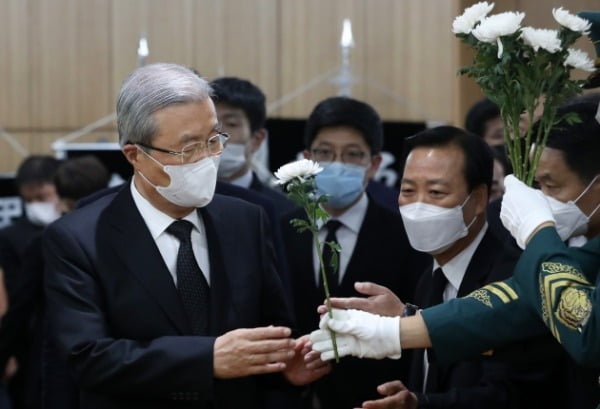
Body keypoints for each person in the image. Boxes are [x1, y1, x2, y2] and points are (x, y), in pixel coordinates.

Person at [43, 63, 328, 409]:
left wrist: (284, 369)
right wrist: (206, 359)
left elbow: (267, 332)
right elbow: (88, 356)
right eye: (188, 148)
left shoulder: (245, 220)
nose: (208, 159)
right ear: (136, 155)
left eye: (213, 139)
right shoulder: (78, 238)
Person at [311, 99, 600, 408]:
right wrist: (397, 327)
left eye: (550, 187)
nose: (540, 200)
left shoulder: (526, 254)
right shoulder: (435, 273)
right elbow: (503, 306)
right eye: (408, 190)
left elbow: (583, 326)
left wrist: (539, 230)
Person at [281, 96, 429, 408]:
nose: (337, 163)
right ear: (307, 158)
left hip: (374, 396)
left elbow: (419, 315)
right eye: (324, 153)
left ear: (374, 164)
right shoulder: (276, 228)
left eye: (352, 155)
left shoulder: (406, 234)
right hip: (289, 394)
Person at [0, 155, 60, 409]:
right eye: (29, 200)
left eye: (43, 197)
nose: (37, 205)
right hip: (30, 342)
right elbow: (14, 300)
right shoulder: (11, 237)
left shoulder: (80, 228)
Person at [210, 76, 294, 216]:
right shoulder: (184, 202)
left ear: (257, 139)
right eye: (211, 122)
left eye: (231, 124)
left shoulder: (284, 210)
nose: (217, 135)